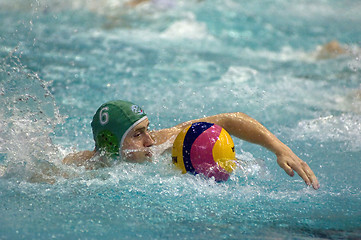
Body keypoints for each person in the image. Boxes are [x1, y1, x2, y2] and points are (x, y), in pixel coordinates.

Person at [63, 100, 320, 190]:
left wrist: (280, 148)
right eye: (137, 135)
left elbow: (229, 119)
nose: (150, 140)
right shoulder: (80, 169)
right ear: (111, 144)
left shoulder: (163, 142)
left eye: (147, 129)